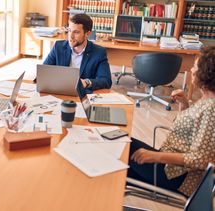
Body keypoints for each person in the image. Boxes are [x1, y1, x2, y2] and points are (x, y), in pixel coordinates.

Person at [128, 46, 215, 197]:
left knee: (119, 153)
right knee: (120, 145)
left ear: (207, 73)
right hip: (171, 166)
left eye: (195, 66)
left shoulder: (212, 109)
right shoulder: (206, 98)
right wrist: (184, 105)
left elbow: (201, 159)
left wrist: (155, 156)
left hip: (176, 176)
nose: (192, 70)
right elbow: (191, 130)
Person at [42, 14, 112, 91]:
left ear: (87, 34)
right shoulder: (58, 47)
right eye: (69, 30)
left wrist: (86, 82)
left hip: (82, 94)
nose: (71, 36)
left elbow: (106, 81)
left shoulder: (99, 52)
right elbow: (43, 72)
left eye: (76, 32)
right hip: (59, 91)